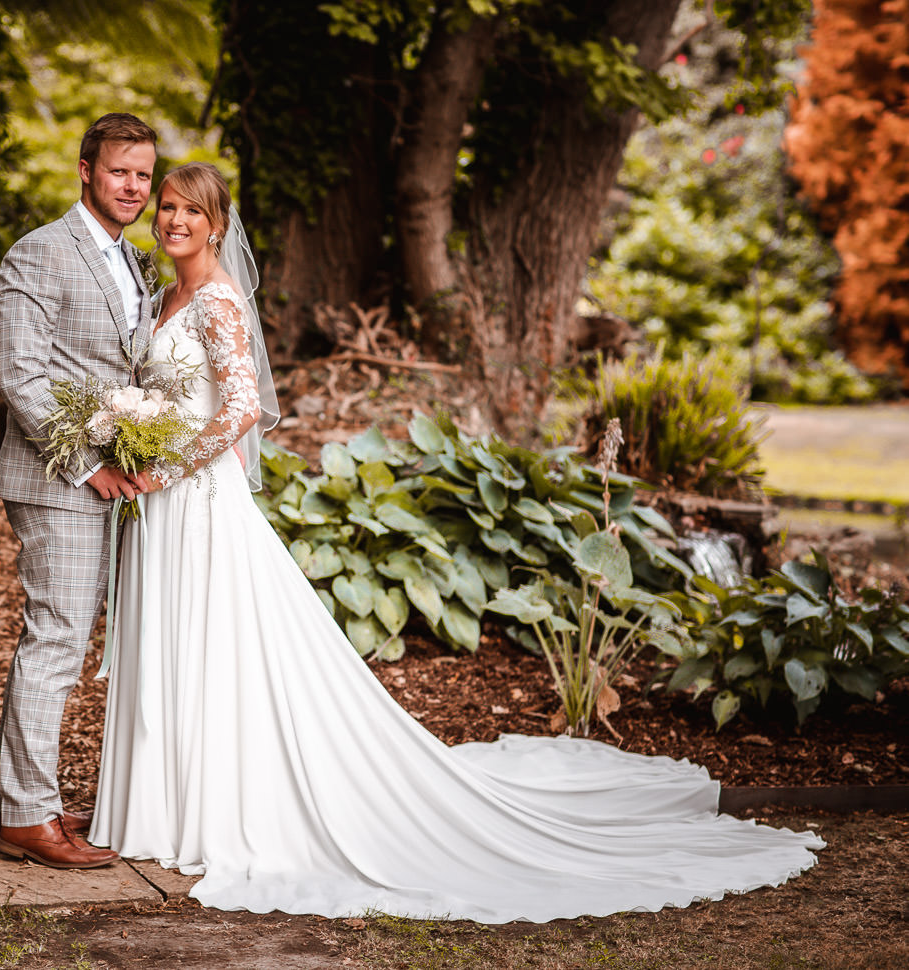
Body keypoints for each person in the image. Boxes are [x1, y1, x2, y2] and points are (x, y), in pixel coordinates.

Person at [89, 161, 824, 921]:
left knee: (212, 647)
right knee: (169, 641)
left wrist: (166, 465)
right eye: (166, 207)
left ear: (217, 223)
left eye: (189, 210)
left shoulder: (216, 300)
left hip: (198, 503)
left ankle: (205, 808)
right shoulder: (164, 290)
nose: (173, 219)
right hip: (160, 505)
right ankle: (157, 805)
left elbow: (242, 408)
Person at [0, 112, 158, 869]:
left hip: (115, 477)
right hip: (58, 479)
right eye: (121, 171)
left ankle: (43, 797)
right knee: (55, 640)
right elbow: (21, 374)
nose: (134, 187)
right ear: (85, 169)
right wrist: (92, 465)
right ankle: (25, 817)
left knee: (79, 640)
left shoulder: (134, 260)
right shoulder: (38, 254)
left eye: (145, 176)